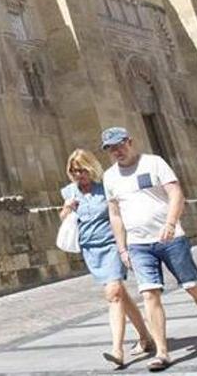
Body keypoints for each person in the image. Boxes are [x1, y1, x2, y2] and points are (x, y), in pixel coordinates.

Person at [102, 127, 197, 372]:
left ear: (130, 141)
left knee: (192, 286)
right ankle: (162, 351)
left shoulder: (154, 163)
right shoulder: (110, 177)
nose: (116, 151)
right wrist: (122, 248)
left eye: (119, 145)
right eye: (110, 148)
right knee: (149, 294)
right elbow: (114, 214)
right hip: (138, 244)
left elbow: (176, 194)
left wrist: (171, 224)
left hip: (172, 239)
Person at [59, 148, 153, 368]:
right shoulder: (69, 192)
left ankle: (117, 350)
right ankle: (145, 337)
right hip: (90, 248)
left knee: (113, 293)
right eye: (73, 171)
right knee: (120, 295)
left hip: (111, 244)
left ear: (90, 168)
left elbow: (119, 215)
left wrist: (126, 245)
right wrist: (67, 209)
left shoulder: (106, 188)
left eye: (81, 170)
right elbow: (64, 218)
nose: (78, 175)